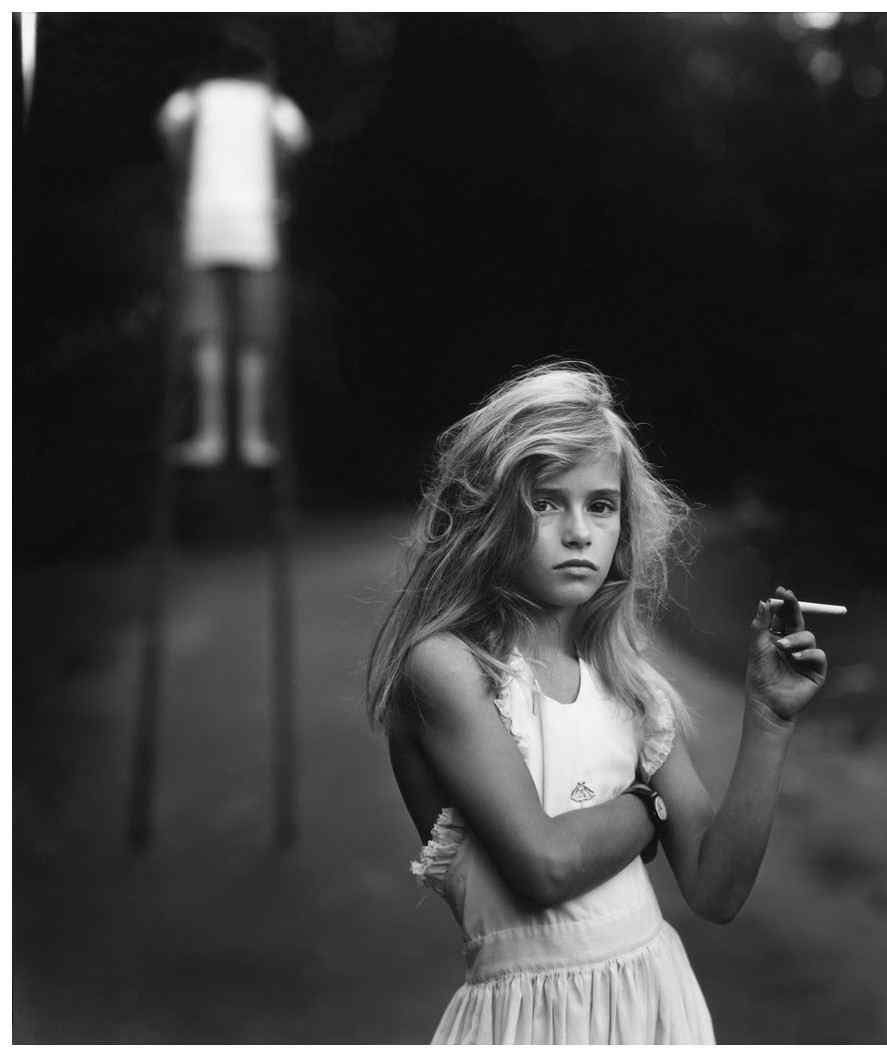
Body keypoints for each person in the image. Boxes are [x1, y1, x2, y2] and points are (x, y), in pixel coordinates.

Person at [365, 362, 828, 1044]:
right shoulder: (448, 667)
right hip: (529, 1024)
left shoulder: (630, 685)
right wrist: (648, 806)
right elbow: (545, 866)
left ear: (623, 527)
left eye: (601, 505)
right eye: (546, 502)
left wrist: (768, 719)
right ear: (488, 514)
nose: (579, 531)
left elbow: (716, 889)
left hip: (655, 1009)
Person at [156, 38, 310, 468]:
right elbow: (297, 139)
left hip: (204, 225)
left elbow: (168, 127)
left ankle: (211, 435)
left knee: (207, 332)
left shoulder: (190, 102)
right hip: (256, 228)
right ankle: (251, 437)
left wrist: (186, 170)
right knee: (255, 336)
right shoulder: (274, 106)